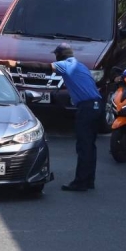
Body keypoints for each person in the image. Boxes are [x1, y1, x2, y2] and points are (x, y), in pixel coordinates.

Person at [51, 44, 103, 192]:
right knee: (90, 146)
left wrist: (16, 64)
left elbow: (42, 67)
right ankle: (89, 180)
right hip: (97, 105)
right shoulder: (80, 66)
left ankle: (80, 182)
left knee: (83, 146)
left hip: (86, 108)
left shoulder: (66, 64)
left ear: (60, 55)